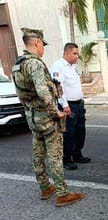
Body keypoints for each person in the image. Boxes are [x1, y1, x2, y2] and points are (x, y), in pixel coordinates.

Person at [12, 28, 84, 206]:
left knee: (38, 153)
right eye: (42, 45)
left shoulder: (18, 63)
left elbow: (21, 93)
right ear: (36, 42)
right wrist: (55, 112)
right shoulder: (35, 63)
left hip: (32, 115)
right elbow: (43, 92)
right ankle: (62, 193)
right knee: (55, 154)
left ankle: (45, 187)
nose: (43, 48)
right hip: (45, 117)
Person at [50, 43, 91, 170]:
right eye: (74, 53)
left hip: (78, 104)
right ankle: (66, 158)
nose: (77, 56)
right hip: (69, 106)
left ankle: (77, 154)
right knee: (69, 133)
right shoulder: (58, 66)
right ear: (67, 53)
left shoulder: (73, 67)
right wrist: (65, 105)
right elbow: (58, 87)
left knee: (80, 131)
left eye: (77, 53)